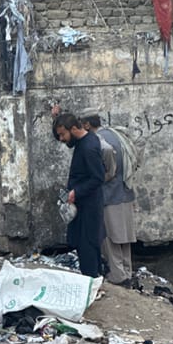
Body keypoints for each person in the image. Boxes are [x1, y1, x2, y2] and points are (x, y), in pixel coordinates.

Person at [80, 110, 136, 287]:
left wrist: (102, 176)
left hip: (109, 195)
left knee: (110, 237)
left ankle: (118, 275)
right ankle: (127, 272)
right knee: (124, 237)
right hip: (125, 192)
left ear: (87, 125)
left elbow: (107, 158)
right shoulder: (116, 134)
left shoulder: (98, 140)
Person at [53, 113, 105, 278]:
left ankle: (91, 281)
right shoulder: (85, 140)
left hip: (88, 207)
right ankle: (95, 278)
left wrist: (77, 191)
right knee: (85, 245)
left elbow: (98, 177)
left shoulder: (88, 148)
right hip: (84, 205)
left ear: (74, 129)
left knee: (87, 246)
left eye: (63, 134)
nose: (61, 139)